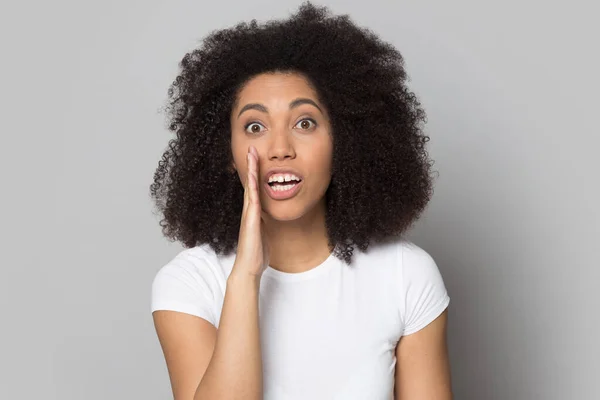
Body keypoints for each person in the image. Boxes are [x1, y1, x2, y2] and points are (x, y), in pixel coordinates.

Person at [149, 2, 452, 399]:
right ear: (226, 152)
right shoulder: (189, 283)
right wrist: (245, 277)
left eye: (304, 123)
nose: (279, 149)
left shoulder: (404, 275)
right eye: (254, 126)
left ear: (342, 140)